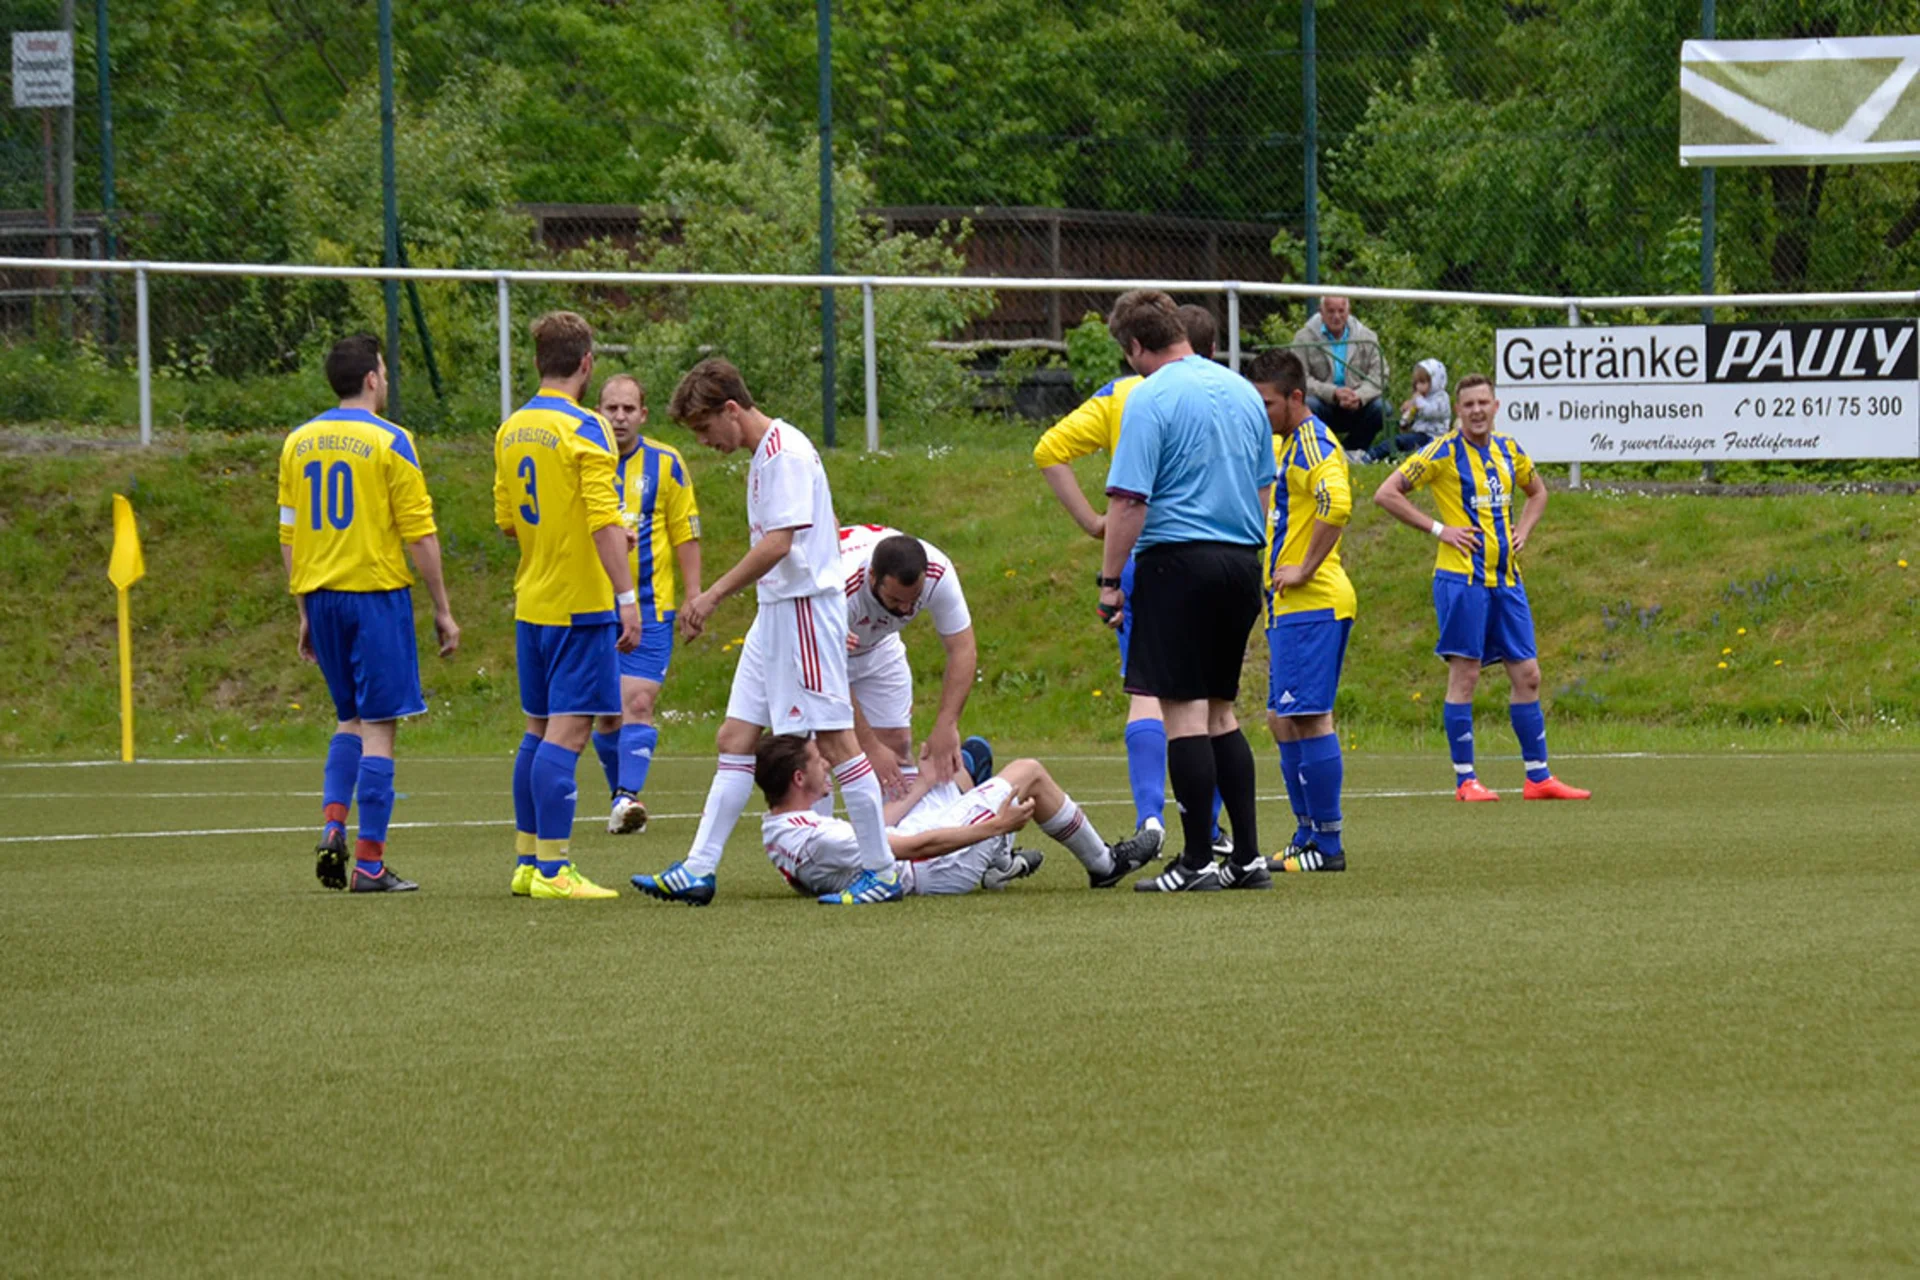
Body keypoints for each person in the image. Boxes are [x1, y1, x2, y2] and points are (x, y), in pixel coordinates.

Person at [631, 358, 899, 907]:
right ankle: (699, 869)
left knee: (835, 742)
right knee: (734, 738)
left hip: (804, 609)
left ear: (732, 409)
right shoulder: (764, 456)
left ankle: (882, 872)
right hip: (776, 611)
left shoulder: (786, 454)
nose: (706, 442)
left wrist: (710, 595)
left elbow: (780, 544)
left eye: (706, 429)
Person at [1032, 302, 1228, 861]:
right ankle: (1210, 830)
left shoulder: (1125, 395)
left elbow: (1049, 449)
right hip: (1224, 554)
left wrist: (1095, 524)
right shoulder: (1227, 392)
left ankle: (1152, 815)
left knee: (1149, 692)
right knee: (1214, 701)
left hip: (1153, 553)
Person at [1097, 290, 1274, 893]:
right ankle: (1247, 858)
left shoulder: (1152, 397)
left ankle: (1196, 859)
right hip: (1241, 564)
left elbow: (1128, 501)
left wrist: (1109, 584)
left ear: (1136, 347)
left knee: (1182, 716)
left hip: (1179, 564)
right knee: (1222, 712)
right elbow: (1263, 489)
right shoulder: (1244, 392)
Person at [278, 334, 459, 894]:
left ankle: (333, 826)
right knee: (380, 727)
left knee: (347, 720)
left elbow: (289, 534)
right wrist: (443, 610)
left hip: (322, 594)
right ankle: (370, 863)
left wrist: (304, 607)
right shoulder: (392, 440)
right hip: (374, 594)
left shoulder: (298, 442)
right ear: (374, 379)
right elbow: (420, 534)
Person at [1372, 373, 1591, 802]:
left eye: (1482, 403)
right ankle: (1465, 780)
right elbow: (1386, 493)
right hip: (1461, 581)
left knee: (1528, 675)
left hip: (1507, 580)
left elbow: (1538, 492)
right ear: (1458, 410)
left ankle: (1538, 777)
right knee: (1466, 675)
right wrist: (1440, 529)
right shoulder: (1442, 452)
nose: (1476, 410)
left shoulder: (1509, 450)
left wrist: (1523, 530)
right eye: (1468, 404)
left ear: (1496, 406)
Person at [494, 311, 643, 902]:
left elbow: (510, 524)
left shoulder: (511, 429)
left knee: (537, 732)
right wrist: (626, 597)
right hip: (580, 605)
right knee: (570, 734)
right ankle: (556, 871)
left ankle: (528, 861)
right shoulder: (586, 428)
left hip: (532, 601)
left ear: (537, 363)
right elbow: (605, 519)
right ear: (587, 364)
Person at [757, 733, 1142, 902]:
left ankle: (999, 861)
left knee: (949, 776)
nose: (827, 764)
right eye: (817, 761)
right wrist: (997, 826)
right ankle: (1103, 864)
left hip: (917, 854)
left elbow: (876, 831)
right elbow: (917, 847)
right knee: (1029, 772)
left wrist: (923, 785)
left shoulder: (777, 828)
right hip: (937, 868)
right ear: (798, 778)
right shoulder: (822, 840)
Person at [1246, 349, 1356, 874]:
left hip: (1313, 602)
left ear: (1295, 397)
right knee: (1280, 717)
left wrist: (1306, 568)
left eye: (1266, 403)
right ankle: (1306, 833)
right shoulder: (1287, 442)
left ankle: (1327, 845)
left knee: (1308, 718)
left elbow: (1337, 505)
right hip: (1289, 608)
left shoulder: (1313, 441)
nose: (1259, 412)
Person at [588, 373, 702, 835]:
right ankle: (622, 799)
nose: (618, 417)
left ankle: (626, 796)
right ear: (598, 411)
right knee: (606, 713)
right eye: (611, 408)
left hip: (652, 608)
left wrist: (695, 594)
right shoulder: (581, 457)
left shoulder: (666, 463)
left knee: (636, 702)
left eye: (627, 409)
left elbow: (686, 531)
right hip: (590, 608)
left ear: (643, 414)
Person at [838, 523, 975, 797]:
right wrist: (870, 748)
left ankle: (899, 835)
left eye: (913, 600)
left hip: (877, 644)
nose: (904, 609)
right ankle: (813, 838)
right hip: (809, 648)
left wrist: (947, 725)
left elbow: (963, 648)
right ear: (873, 577)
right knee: (816, 752)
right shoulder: (839, 587)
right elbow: (826, 672)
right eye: (895, 599)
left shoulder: (938, 572)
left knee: (897, 746)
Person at [1290, 295, 1387, 453]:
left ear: (1348, 312)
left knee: (1382, 408)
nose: (1336, 316)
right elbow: (1298, 377)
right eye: (1331, 311)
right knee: (1308, 404)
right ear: (1321, 312)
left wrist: (1360, 396)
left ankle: (1352, 449)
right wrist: (1333, 393)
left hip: (1357, 403)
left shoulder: (1367, 336)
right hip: (1323, 402)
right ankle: (1323, 449)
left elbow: (1379, 374)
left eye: (1341, 311)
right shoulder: (1304, 338)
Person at [1355, 358, 1450, 463]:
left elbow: (1430, 412)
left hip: (1433, 438)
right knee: (1397, 440)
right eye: (1416, 383)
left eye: (1423, 382)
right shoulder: (1423, 399)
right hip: (1420, 435)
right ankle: (1375, 456)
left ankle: (1371, 456)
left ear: (1435, 382)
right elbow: (1415, 416)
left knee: (1397, 441)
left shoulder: (1441, 397)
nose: (1419, 386)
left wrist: (1417, 401)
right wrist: (1406, 417)